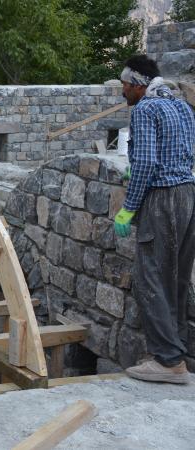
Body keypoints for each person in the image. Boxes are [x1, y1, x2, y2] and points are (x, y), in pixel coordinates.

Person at [115, 55, 195, 384]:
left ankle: (168, 361)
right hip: (188, 194)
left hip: (162, 200)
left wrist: (128, 208)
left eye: (125, 85)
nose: (122, 91)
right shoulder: (181, 106)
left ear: (138, 84)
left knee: (150, 278)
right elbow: (183, 152)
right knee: (176, 277)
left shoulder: (145, 109)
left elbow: (147, 163)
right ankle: (177, 349)